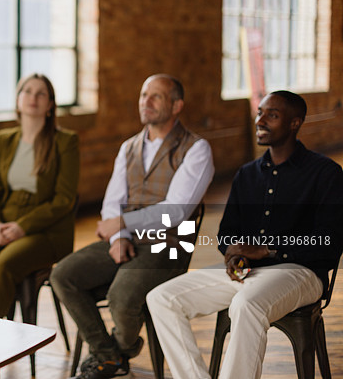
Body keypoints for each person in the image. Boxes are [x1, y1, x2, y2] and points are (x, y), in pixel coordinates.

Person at [147, 90, 343, 379]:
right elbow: (227, 232)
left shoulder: (325, 173)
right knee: (162, 297)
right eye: (260, 112)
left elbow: (328, 243)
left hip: (301, 272)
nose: (260, 120)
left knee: (246, 303)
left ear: (295, 123)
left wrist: (268, 250)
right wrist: (232, 252)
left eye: (271, 115)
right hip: (246, 273)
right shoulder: (247, 174)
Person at [50, 74, 214, 379]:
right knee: (63, 275)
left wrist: (123, 223)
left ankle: (113, 354)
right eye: (143, 95)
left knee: (122, 296)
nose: (145, 102)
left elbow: (176, 211)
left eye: (156, 96)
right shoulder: (129, 148)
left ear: (177, 105)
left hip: (169, 246)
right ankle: (108, 355)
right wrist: (119, 237)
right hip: (128, 241)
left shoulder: (196, 149)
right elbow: (114, 200)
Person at [0, 74, 79, 317]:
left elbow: (64, 199)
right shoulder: (5, 139)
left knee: (2, 266)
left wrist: (22, 227)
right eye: (27, 91)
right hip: (4, 222)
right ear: (18, 100)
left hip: (46, 231)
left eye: (41, 93)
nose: (33, 98)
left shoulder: (65, 142)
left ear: (50, 105)